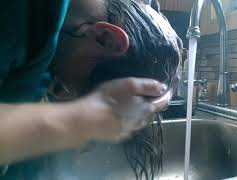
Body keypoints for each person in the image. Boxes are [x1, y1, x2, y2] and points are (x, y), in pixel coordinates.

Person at [0, 0, 169, 167]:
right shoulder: (20, 11)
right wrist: (80, 120)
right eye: (69, 87)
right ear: (104, 38)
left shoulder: (55, 41)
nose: (57, 92)